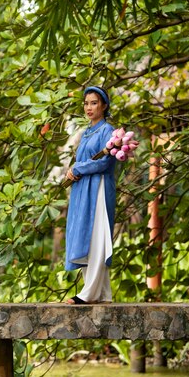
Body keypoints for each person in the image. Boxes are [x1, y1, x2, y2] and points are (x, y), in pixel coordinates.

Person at [64, 86, 116, 304]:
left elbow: (105, 162)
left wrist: (79, 168)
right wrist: (72, 170)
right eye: (86, 103)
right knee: (84, 235)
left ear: (103, 105)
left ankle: (87, 294)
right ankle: (101, 293)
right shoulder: (86, 132)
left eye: (94, 103)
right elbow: (83, 161)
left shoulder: (108, 131)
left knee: (97, 238)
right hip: (82, 190)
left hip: (99, 188)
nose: (89, 107)